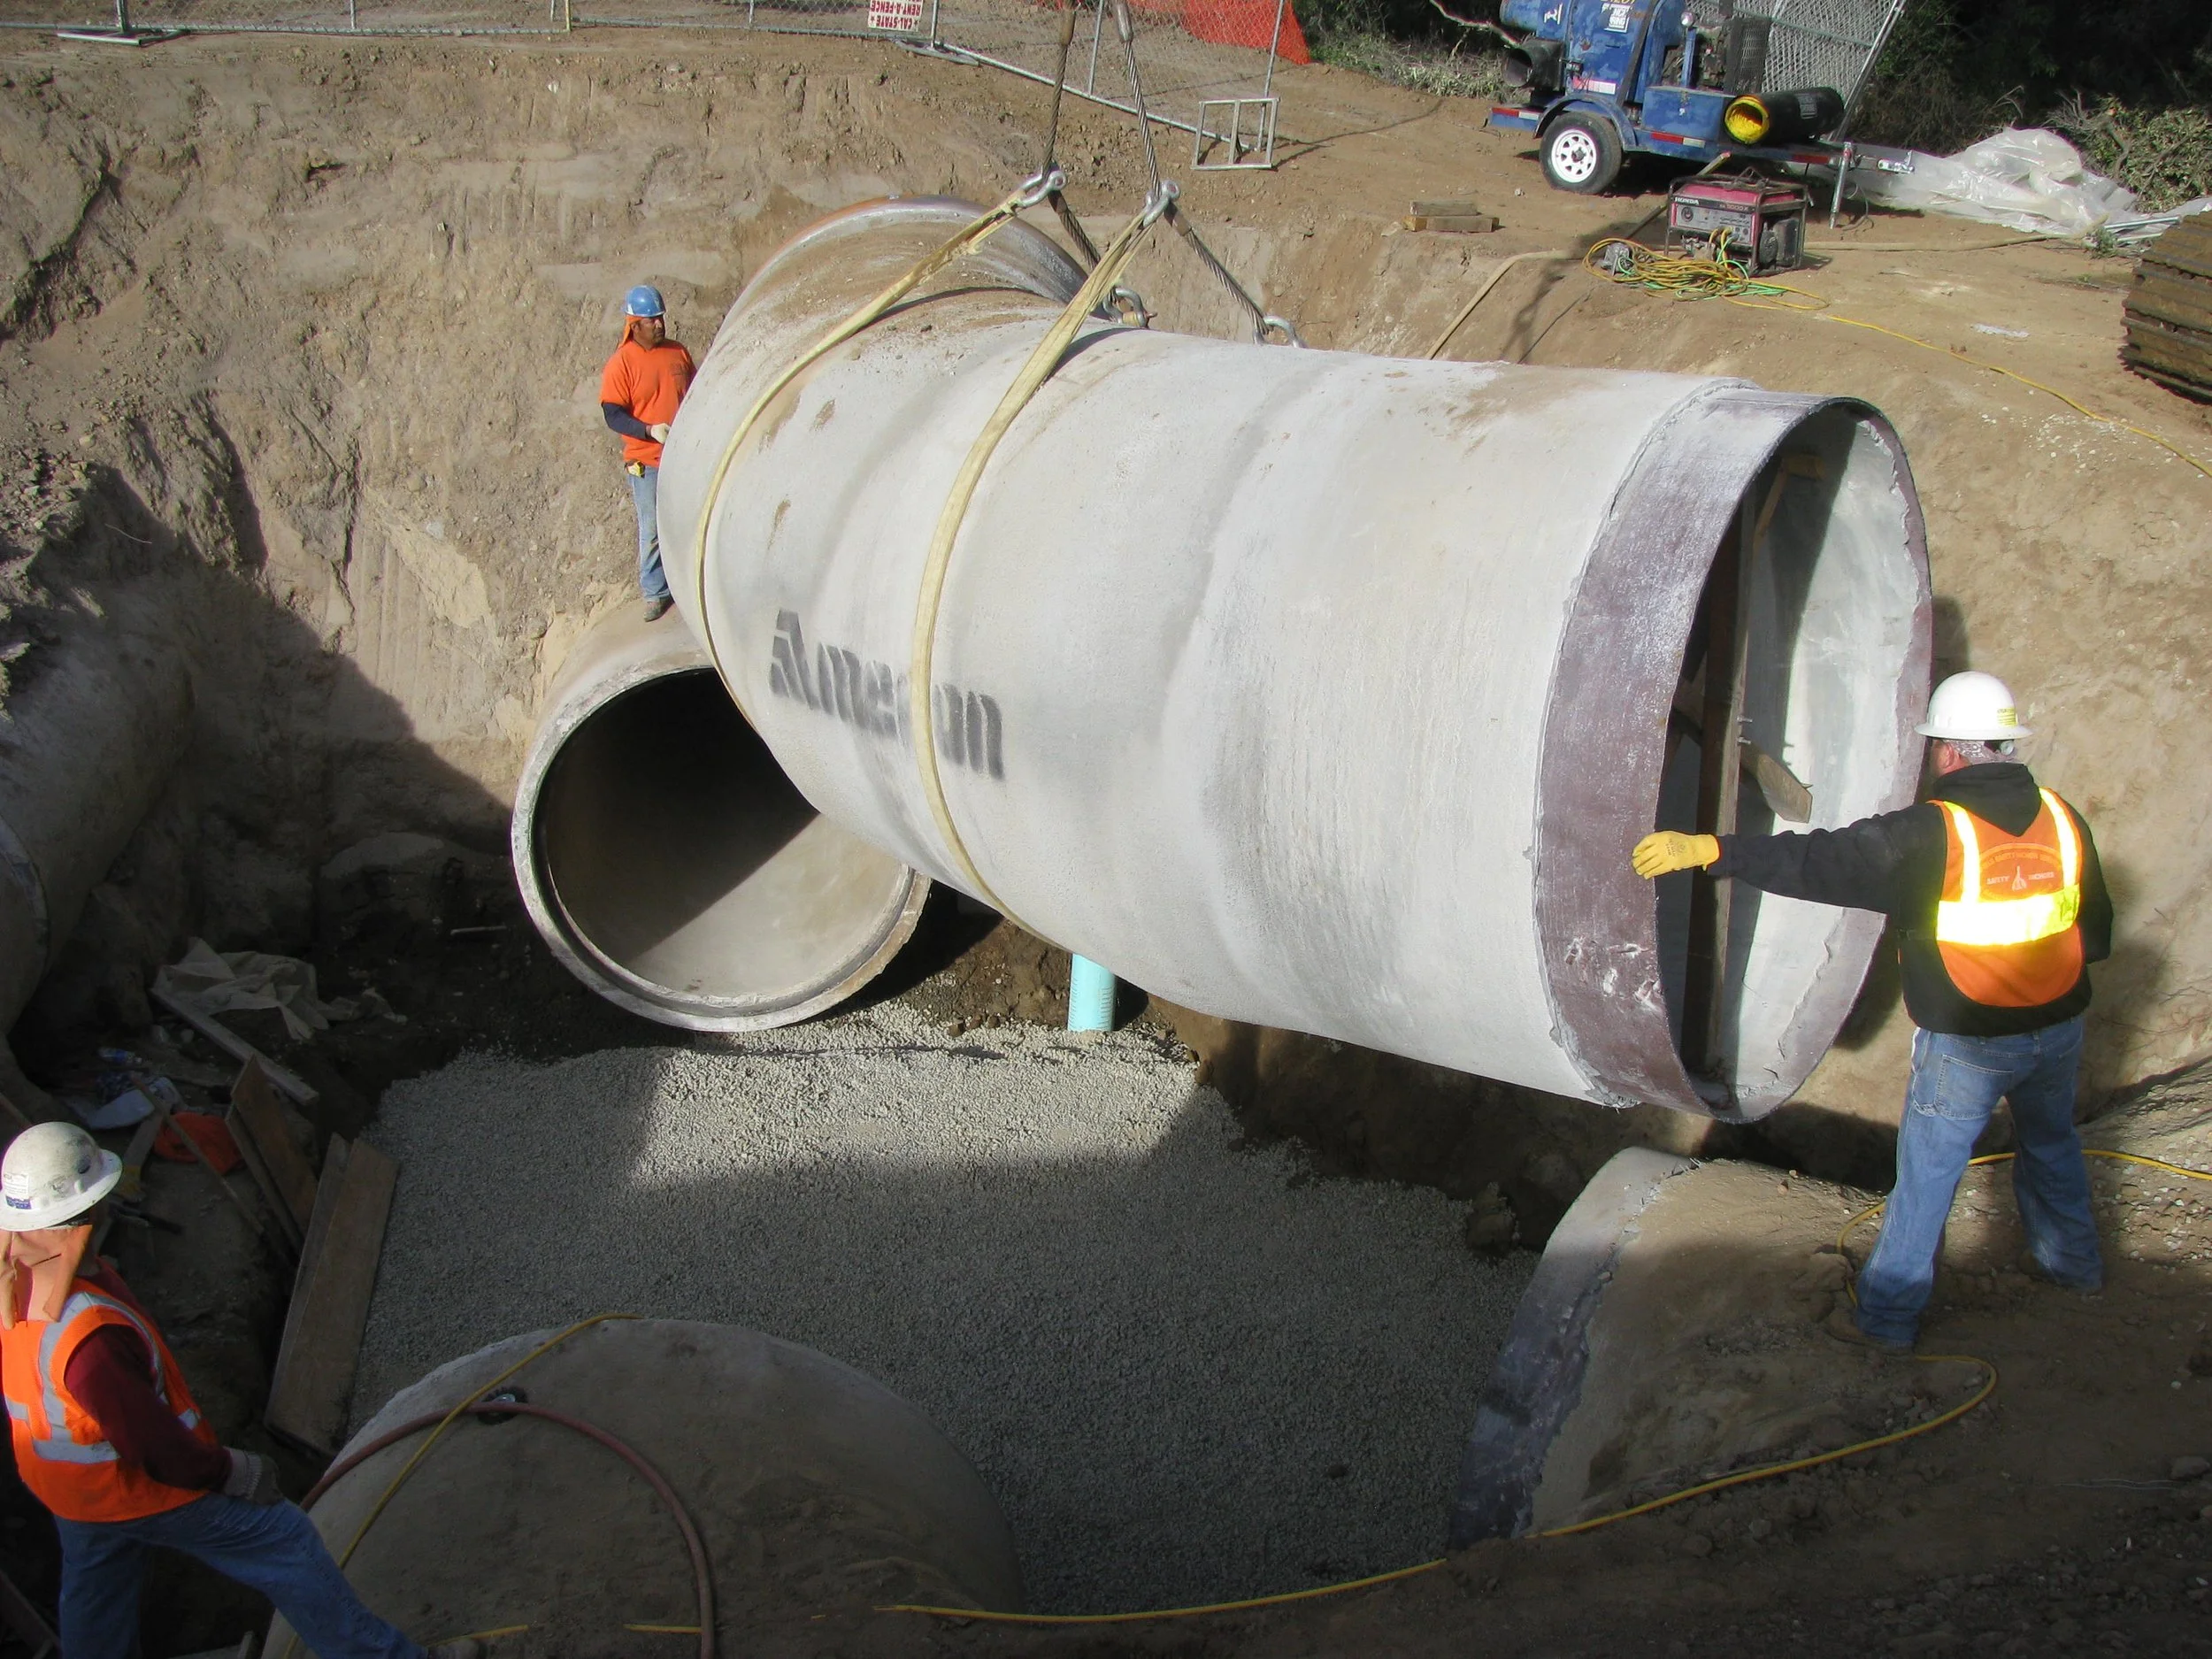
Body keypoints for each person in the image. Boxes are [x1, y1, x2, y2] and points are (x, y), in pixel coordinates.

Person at [1631, 671, 2113, 1352]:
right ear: (2006, 743)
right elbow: (2096, 930)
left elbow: (1824, 859)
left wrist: (1715, 850)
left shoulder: (1935, 832)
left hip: (1970, 1044)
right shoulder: (2063, 817)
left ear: (1947, 751)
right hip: (2058, 1030)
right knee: (2053, 1143)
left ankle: (1886, 1321)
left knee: (1927, 1176)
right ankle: (2076, 1271)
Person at [1, 1121, 478, 1659]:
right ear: (92, 1211)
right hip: (133, 1486)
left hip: (69, 1491)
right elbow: (155, 1449)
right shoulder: (92, 1339)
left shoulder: (15, 1279)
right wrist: (231, 1471)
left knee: (95, 1601)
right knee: (284, 1540)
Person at [599, 284, 696, 622]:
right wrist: (649, 430)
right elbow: (612, 413)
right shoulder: (621, 364)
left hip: (683, 457)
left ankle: (689, 588)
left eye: (660, 318)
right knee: (653, 529)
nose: (659, 324)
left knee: (688, 523)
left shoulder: (677, 353)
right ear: (633, 324)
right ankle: (655, 592)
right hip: (647, 460)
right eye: (651, 319)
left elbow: (696, 394)